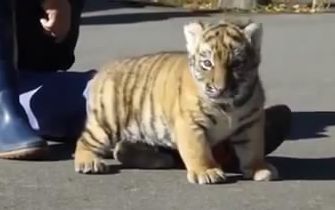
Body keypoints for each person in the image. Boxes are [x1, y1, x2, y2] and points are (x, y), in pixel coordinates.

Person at [0, 0, 292, 170]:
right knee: (47, 107)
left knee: (112, 94)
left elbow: (54, 52)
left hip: (30, 74)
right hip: (16, 90)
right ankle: (213, 148)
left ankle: (201, 141)